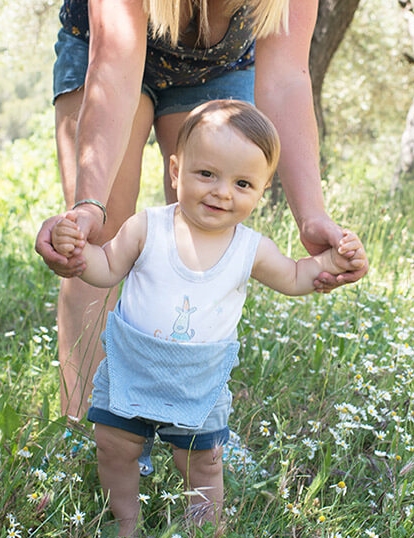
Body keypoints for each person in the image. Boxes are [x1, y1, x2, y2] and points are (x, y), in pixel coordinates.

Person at [34, 0, 369, 426]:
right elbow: (116, 65)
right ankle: (84, 428)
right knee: (100, 239)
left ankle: (185, 425)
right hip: (111, 58)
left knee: (206, 236)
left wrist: (312, 215)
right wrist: (88, 205)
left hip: (215, 68)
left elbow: (286, 79)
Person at [51, 99, 365, 538]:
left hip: (198, 380)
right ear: (176, 171)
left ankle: (202, 537)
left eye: (242, 183)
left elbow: (296, 275)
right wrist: (76, 250)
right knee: (114, 448)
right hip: (132, 367)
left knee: (201, 461)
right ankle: (124, 527)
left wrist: (334, 261)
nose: (222, 192)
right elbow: (105, 268)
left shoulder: (250, 248)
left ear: (262, 190)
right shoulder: (148, 227)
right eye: (207, 175)